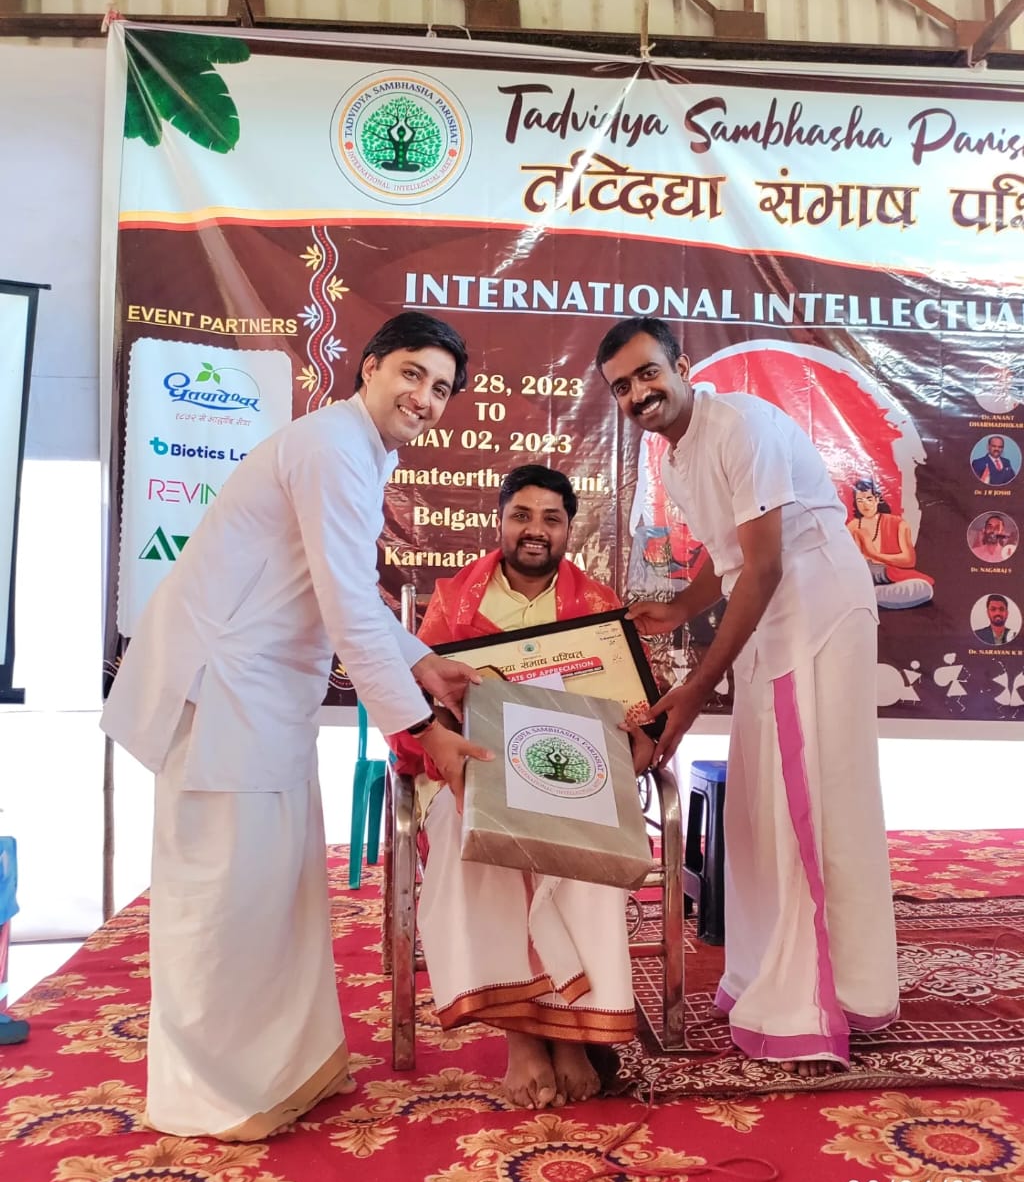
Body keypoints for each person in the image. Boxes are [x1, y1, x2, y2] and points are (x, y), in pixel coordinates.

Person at [101, 312, 491, 1139]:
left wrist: (424, 660)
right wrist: (427, 730)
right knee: (223, 897)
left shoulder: (358, 450)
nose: (425, 398)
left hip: (267, 697)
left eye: (441, 388)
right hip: (222, 693)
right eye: (413, 374)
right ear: (371, 367)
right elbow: (346, 606)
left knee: (277, 888)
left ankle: (290, 1069)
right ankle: (214, 1096)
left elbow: (340, 589)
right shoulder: (330, 446)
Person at [595, 316, 899, 1077]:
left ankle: (806, 1009)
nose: (638, 393)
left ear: (681, 364)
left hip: (815, 614)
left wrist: (697, 688)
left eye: (647, 373)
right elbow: (730, 557)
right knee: (761, 807)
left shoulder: (741, 426)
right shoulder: (678, 455)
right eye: (622, 387)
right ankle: (783, 979)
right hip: (775, 618)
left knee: (801, 808)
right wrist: (679, 606)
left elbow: (763, 568)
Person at [391, 465, 650, 1109]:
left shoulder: (598, 609)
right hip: (471, 772)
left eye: (551, 519)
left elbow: (637, 716)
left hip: (569, 774)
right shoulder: (453, 603)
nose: (536, 530)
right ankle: (522, 1038)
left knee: (588, 845)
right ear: (501, 522)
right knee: (473, 836)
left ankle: (572, 1033)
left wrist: (633, 732)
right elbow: (410, 705)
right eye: (522, 516)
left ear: (569, 529)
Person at [845, 479, 933, 609]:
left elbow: (909, 561)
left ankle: (869, 595)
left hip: (889, 575)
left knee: (924, 588)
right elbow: (848, 561)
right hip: (864, 574)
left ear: (877, 499)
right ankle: (866, 594)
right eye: (860, 501)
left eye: (869, 498)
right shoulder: (852, 526)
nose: (865, 504)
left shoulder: (898, 524)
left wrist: (873, 553)